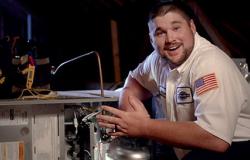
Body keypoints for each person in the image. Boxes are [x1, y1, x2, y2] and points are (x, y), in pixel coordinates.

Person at [97, 1, 250, 159]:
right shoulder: (157, 60)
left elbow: (216, 139)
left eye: (176, 28)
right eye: (160, 33)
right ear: (151, 40)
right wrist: (131, 116)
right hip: (189, 148)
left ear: (192, 27)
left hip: (234, 147)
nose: (170, 39)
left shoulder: (209, 64)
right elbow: (134, 83)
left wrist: (143, 126)